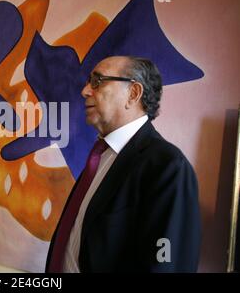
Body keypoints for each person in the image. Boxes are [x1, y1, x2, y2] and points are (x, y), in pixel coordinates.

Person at [46, 56, 201, 272]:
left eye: (98, 81)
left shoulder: (168, 166)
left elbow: (165, 265)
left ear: (133, 94)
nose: (85, 91)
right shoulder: (101, 156)